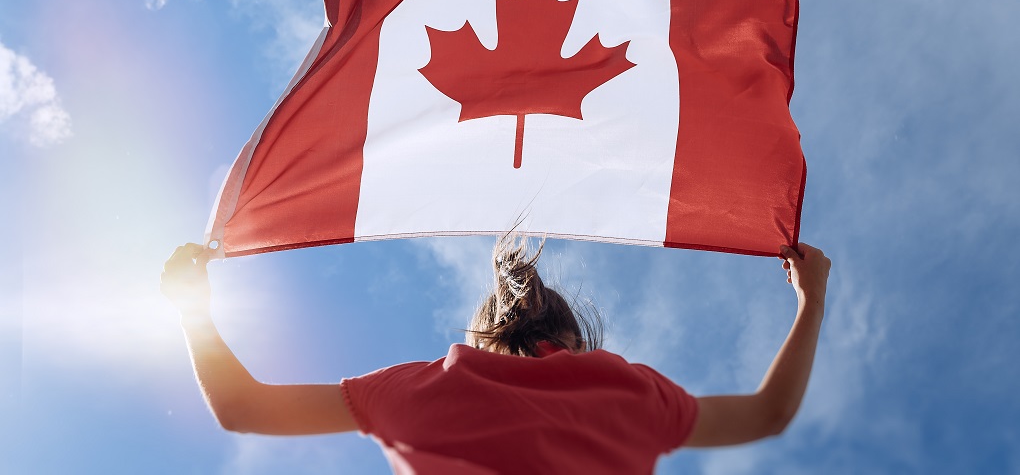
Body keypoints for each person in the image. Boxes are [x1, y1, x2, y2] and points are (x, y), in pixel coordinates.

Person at [161, 237, 830, 473]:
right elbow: (768, 414)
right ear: (571, 338)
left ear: (484, 334)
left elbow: (242, 407)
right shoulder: (635, 398)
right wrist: (811, 300)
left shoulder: (426, 389)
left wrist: (193, 306)